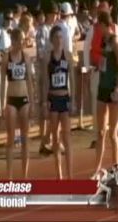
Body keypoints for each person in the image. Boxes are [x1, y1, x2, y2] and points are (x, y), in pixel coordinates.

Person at [84, 4, 118, 149]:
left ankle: (116, 135)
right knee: (97, 107)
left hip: (111, 75)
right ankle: (97, 136)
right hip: (97, 71)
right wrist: (87, 69)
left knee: (113, 109)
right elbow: (87, 47)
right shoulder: (92, 29)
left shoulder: (115, 30)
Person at [91, 12, 118, 176]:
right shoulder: (103, 41)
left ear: (105, 25)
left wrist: (117, 87)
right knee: (101, 131)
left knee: (112, 132)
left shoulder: (115, 40)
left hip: (112, 88)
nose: (98, 28)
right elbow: (104, 62)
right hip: (102, 86)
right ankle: (97, 168)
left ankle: (116, 166)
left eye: (100, 25)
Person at [42, 26, 76, 179]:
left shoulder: (67, 55)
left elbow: (73, 80)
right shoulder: (47, 58)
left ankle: (70, 176)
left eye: (61, 38)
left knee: (67, 138)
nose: (59, 40)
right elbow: (44, 81)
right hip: (53, 99)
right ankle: (59, 175)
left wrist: (73, 99)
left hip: (64, 98)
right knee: (55, 138)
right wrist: (44, 101)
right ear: (51, 40)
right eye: (56, 38)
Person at [1, 28, 35, 179]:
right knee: (10, 139)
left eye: (23, 40)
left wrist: (32, 102)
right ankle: (9, 178)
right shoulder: (6, 58)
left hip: (24, 99)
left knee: (25, 138)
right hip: (11, 100)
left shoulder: (26, 57)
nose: (22, 42)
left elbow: (29, 81)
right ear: (14, 41)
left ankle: (24, 176)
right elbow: (2, 82)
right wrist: (2, 103)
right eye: (20, 40)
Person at [36, 1, 59, 155]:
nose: (56, 16)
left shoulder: (55, 29)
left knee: (56, 107)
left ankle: (51, 140)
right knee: (45, 107)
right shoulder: (42, 30)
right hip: (45, 72)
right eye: (54, 13)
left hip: (56, 73)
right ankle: (44, 141)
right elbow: (41, 53)